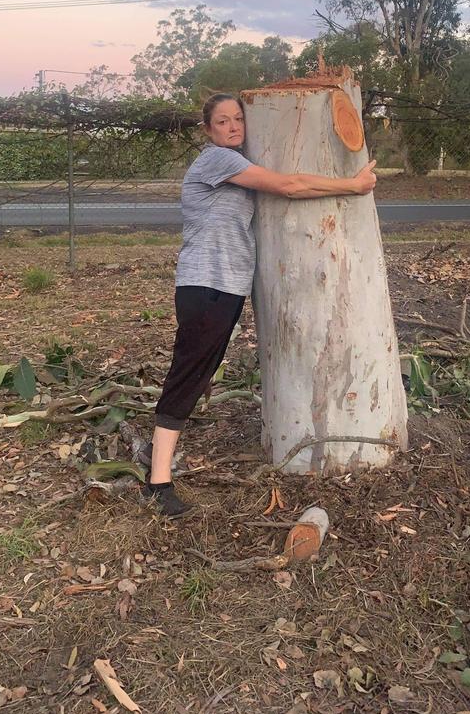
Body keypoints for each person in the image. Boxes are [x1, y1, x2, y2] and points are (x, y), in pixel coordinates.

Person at [141, 92, 377, 517]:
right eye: (222, 122)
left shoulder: (237, 163)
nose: (233, 127)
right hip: (206, 286)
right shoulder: (218, 161)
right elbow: (289, 186)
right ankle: (158, 482)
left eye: (238, 120)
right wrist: (352, 186)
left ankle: (157, 459)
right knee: (187, 376)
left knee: (198, 372)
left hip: (225, 288)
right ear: (208, 130)